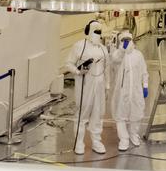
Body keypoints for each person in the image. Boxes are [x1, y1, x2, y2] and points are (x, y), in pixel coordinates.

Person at [64, 19, 108, 155]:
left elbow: (107, 68)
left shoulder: (103, 49)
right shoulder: (79, 46)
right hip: (85, 85)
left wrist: (107, 86)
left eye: (99, 32)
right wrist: (78, 71)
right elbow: (68, 64)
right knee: (82, 114)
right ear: (88, 31)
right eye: (95, 31)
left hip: (99, 87)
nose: (97, 34)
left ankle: (96, 141)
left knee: (97, 114)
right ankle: (79, 142)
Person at [109, 30, 149, 151]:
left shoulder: (138, 55)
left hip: (136, 91)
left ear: (132, 40)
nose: (126, 42)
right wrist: (122, 50)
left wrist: (145, 86)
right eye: (123, 40)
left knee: (136, 114)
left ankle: (133, 134)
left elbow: (144, 71)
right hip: (122, 92)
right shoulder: (118, 54)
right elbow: (115, 60)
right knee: (120, 115)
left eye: (128, 40)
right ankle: (124, 139)